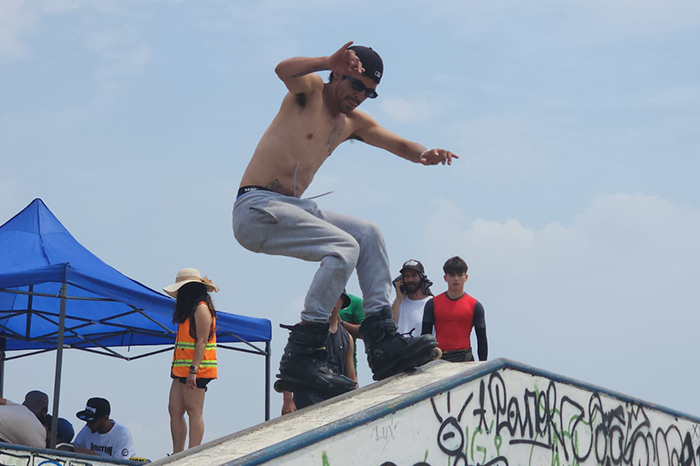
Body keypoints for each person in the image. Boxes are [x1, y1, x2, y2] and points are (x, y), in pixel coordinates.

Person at [232, 41, 457, 389]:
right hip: (256, 208)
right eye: (356, 85)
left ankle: (381, 340)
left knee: (368, 234)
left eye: (369, 92)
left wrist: (425, 154)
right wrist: (326, 60)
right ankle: (303, 351)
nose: (360, 96)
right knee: (344, 248)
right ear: (337, 75)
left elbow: (398, 143)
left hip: (293, 208)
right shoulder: (309, 92)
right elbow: (282, 70)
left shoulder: (352, 122)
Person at [163, 268, 219, 453]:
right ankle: (177, 453)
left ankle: (192, 453)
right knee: (175, 409)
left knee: (193, 410)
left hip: (198, 370)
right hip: (181, 369)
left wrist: (193, 371)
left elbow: (202, 341)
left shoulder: (201, 308)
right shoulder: (189, 310)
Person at [281, 293, 357, 414]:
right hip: (307, 399)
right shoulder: (306, 331)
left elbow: (351, 376)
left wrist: (356, 400)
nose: (332, 302)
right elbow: (289, 364)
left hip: (336, 401)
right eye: (329, 296)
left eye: (337, 297)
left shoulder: (347, 338)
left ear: (342, 302)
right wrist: (288, 400)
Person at [422, 257, 488, 362]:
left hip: (465, 359)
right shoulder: (432, 304)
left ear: (466, 277)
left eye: (460, 275)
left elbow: (482, 339)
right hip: (439, 358)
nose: (456, 279)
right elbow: (425, 338)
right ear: (445, 278)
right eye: (452, 275)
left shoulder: (475, 306)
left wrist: (483, 365)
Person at [392, 259, 434, 337]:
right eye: (407, 276)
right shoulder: (397, 303)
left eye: (414, 275)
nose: (410, 280)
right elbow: (389, 325)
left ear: (421, 277)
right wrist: (398, 299)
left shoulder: (432, 303)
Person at [337, 290, 364, 372]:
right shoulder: (317, 303)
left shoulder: (355, 302)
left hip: (346, 362)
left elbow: (365, 332)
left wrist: (341, 324)